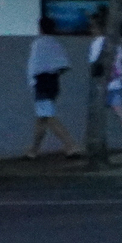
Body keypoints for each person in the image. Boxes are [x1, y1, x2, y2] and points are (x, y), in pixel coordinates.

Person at [25, 19, 82, 160]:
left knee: (47, 116)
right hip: (53, 81)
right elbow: (64, 65)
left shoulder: (38, 44)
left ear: (40, 28)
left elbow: (33, 65)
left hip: (41, 81)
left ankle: (71, 145)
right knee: (42, 117)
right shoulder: (56, 44)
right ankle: (33, 150)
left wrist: (32, 82)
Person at [87, 10, 122, 153]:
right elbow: (120, 58)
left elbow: (94, 64)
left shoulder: (96, 44)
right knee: (120, 113)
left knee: (98, 115)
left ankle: (98, 143)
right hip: (116, 83)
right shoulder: (112, 42)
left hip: (103, 85)